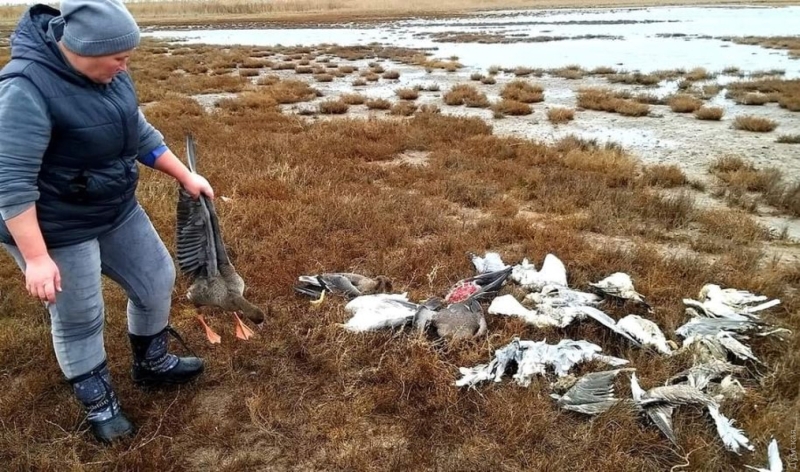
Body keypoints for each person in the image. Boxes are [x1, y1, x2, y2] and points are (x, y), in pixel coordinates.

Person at [0, 1, 214, 444]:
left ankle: (152, 364)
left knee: (157, 278)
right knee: (81, 317)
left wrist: (185, 175)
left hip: (113, 208)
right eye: (118, 57)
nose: (125, 65)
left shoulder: (111, 75)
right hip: (52, 224)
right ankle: (100, 405)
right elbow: (11, 181)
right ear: (81, 47)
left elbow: (137, 130)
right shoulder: (24, 89)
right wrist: (37, 258)